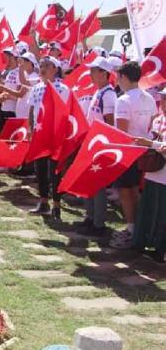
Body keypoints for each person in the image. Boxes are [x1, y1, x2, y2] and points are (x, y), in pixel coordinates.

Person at [110, 61, 157, 249]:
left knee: (125, 190)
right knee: (135, 190)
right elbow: (152, 125)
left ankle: (132, 229)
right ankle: (138, 228)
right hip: (145, 151)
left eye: (119, 77)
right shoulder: (149, 97)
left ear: (124, 77)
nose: (117, 81)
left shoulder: (123, 99)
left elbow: (121, 131)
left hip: (128, 150)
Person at [76, 57, 118, 235]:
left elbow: (109, 124)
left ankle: (98, 223)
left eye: (94, 71)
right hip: (91, 143)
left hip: (100, 145)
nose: (90, 74)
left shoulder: (108, 94)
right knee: (88, 181)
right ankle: (90, 216)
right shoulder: (98, 92)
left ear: (104, 73)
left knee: (98, 184)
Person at [27, 56, 70, 220]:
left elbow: (66, 112)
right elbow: (32, 110)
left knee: (54, 171)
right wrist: (30, 128)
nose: (43, 68)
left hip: (55, 134)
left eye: (47, 65)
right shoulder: (36, 88)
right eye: (41, 65)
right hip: (39, 133)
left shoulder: (62, 88)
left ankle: (56, 205)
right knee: (40, 169)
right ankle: (43, 201)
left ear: (55, 69)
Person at [132, 87, 166, 262]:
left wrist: (150, 143)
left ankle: (160, 250)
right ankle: (140, 243)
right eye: (162, 98)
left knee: (162, 214)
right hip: (152, 172)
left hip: (164, 176)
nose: (163, 102)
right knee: (147, 210)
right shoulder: (158, 120)